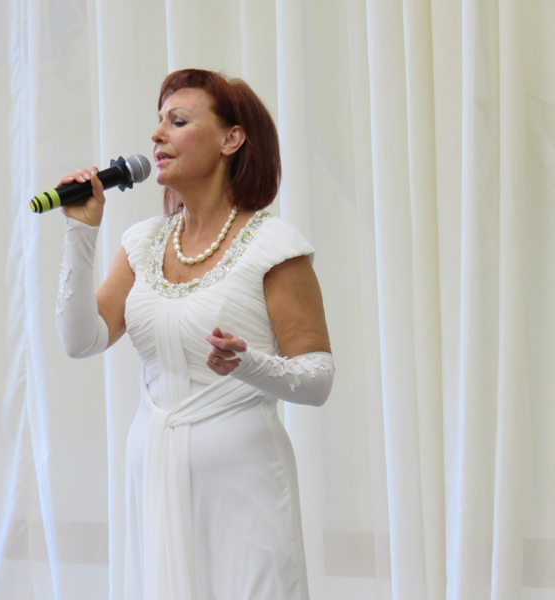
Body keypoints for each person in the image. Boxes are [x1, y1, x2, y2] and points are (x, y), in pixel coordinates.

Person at [54, 69, 334, 600]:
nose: (157, 135)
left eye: (178, 121)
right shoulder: (142, 242)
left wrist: (248, 364)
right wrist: (80, 232)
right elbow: (80, 340)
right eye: (158, 121)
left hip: (243, 484)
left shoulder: (275, 245)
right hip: (153, 474)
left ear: (232, 139)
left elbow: (318, 379)